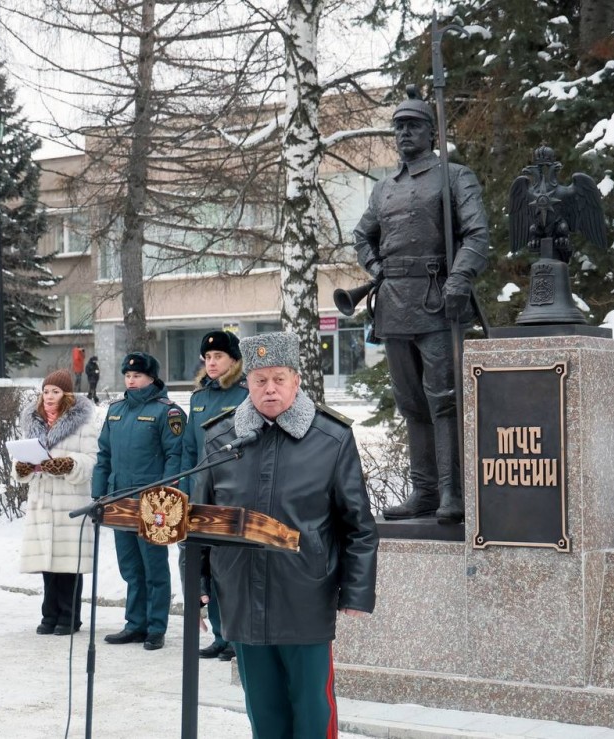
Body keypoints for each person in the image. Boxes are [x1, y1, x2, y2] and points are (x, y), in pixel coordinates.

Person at [193, 332, 378, 738]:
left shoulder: (330, 438)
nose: (270, 389)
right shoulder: (222, 437)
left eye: (279, 379)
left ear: (296, 380)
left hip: (305, 597)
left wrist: (356, 591)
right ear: (247, 382)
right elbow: (201, 521)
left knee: (312, 711)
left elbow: (358, 525)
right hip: (241, 595)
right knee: (264, 712)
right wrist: (197, 585)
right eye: (260, 380)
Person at [353, 88, 489, 524]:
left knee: (444, 400)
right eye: (398, 127)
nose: (404, 133)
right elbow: (362, 236)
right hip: (394, 303)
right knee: (411, 403)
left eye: (413, 125)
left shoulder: (455, 176)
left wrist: (460, 278)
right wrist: (376, 268)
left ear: (432, 132)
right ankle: (425, 491)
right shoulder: (384, 189)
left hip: (436, 300)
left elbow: (477, 234)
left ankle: (453, 492)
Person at [91, 352, 186, 650]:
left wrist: (167, 495)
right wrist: (98, 494)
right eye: (128, 376)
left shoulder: (168, 412)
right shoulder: (116, 410)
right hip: (120, 498)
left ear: (152, 378)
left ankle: (156, 627)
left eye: (138, 376)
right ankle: (135, 624)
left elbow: (175, 456)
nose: (131, 380)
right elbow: (104, 454)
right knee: (130, 566)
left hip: (153, 502)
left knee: (154, 567)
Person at [11, 369, 101, 635]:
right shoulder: (33, 421)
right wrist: (22, 467)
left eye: (55, 391)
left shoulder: (83, 423)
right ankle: (49, 615)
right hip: (42, 500)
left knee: (68, 565)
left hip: (69, 500)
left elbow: (91, 459)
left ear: (67, 394)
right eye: (46, 391)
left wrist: (68, 464)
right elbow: (21, 457)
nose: (49, 396)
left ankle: (70, 617)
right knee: (47, 564)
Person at [179, 329, 247, 662]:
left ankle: (235, 635)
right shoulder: (199, 398)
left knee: (229, 566)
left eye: (218, 356)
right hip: (199, 489)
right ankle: (220, 635)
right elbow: (188, 448)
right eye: (207, 357)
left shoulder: (245, 394)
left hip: (231, 490)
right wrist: (183, 487)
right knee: (204, 564)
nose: (211, 362)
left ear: (234, 360)